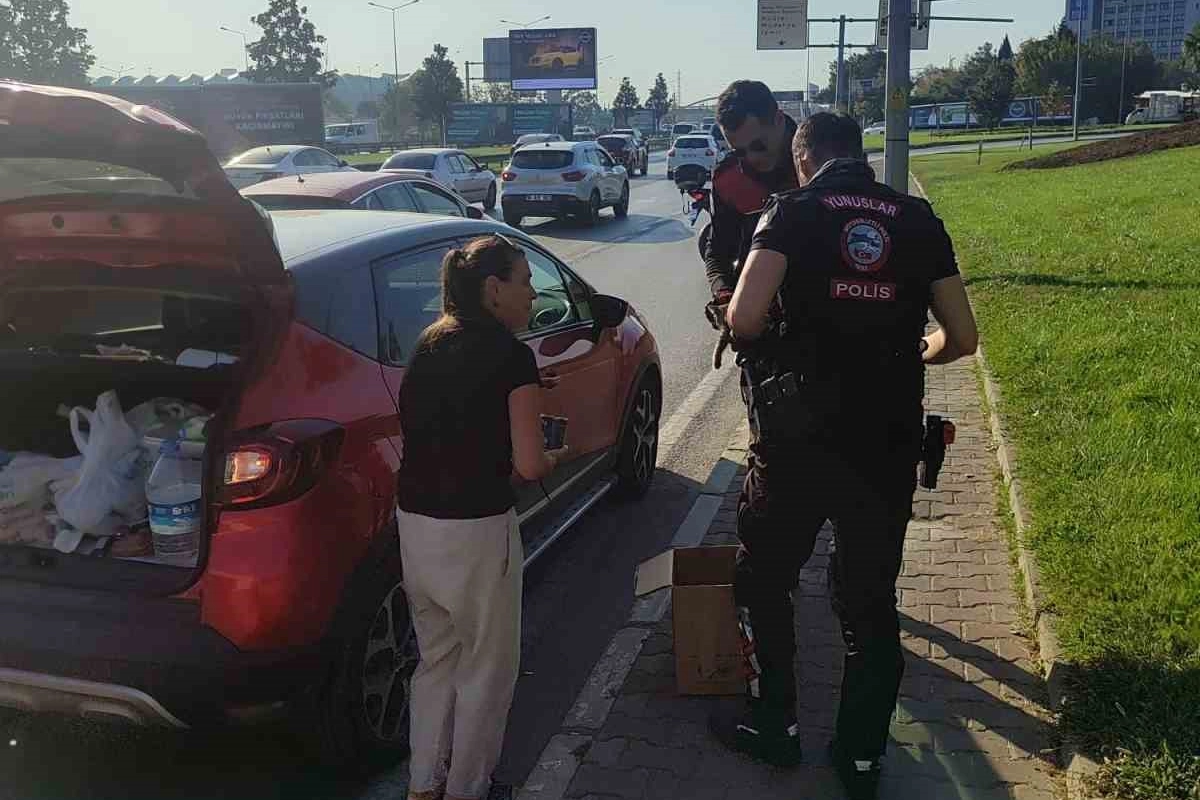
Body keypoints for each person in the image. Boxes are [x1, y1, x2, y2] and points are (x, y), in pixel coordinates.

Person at [710, 113, 979, 800]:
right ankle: (860, 756)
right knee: (868, 603)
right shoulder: (916, 218)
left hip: (797, 442)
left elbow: (742, 318)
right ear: (858, 154)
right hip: (885, 443)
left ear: (804, 160)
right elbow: (963, 336)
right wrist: (913, 352)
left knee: (765, 580)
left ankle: (776, 725)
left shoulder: (792, 212)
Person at [397, 235, 567, 800]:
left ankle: (424, 783)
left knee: (436, 659)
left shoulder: (428, 342)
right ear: (494, 290)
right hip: (476, 529)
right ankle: (468, 787)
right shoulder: (512, 357)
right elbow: (529, 463)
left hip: (416, 525)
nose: (532, 292)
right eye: (523, 281)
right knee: (487, 667)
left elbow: (441, 422)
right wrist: (556, 452)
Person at [703, 80, 800, 311]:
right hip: (758, 312)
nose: (751, 158)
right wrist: (724, 294)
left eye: (758, 146)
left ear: (778, 120)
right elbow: (717, 252)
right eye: (739, 151)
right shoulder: (728, 178)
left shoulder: (820, 160)